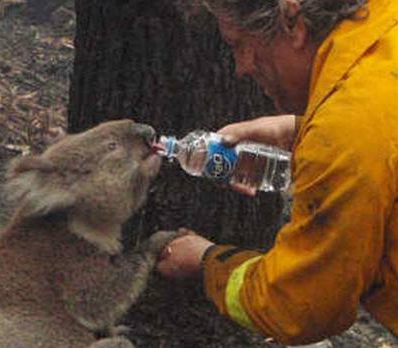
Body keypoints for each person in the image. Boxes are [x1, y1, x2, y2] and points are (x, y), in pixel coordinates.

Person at [157, 0, 398, 345]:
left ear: (292, 21)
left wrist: (207, 262)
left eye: (239, 44)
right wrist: (303, 132)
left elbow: (303, 306)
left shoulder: (347, 133)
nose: (241, 67)